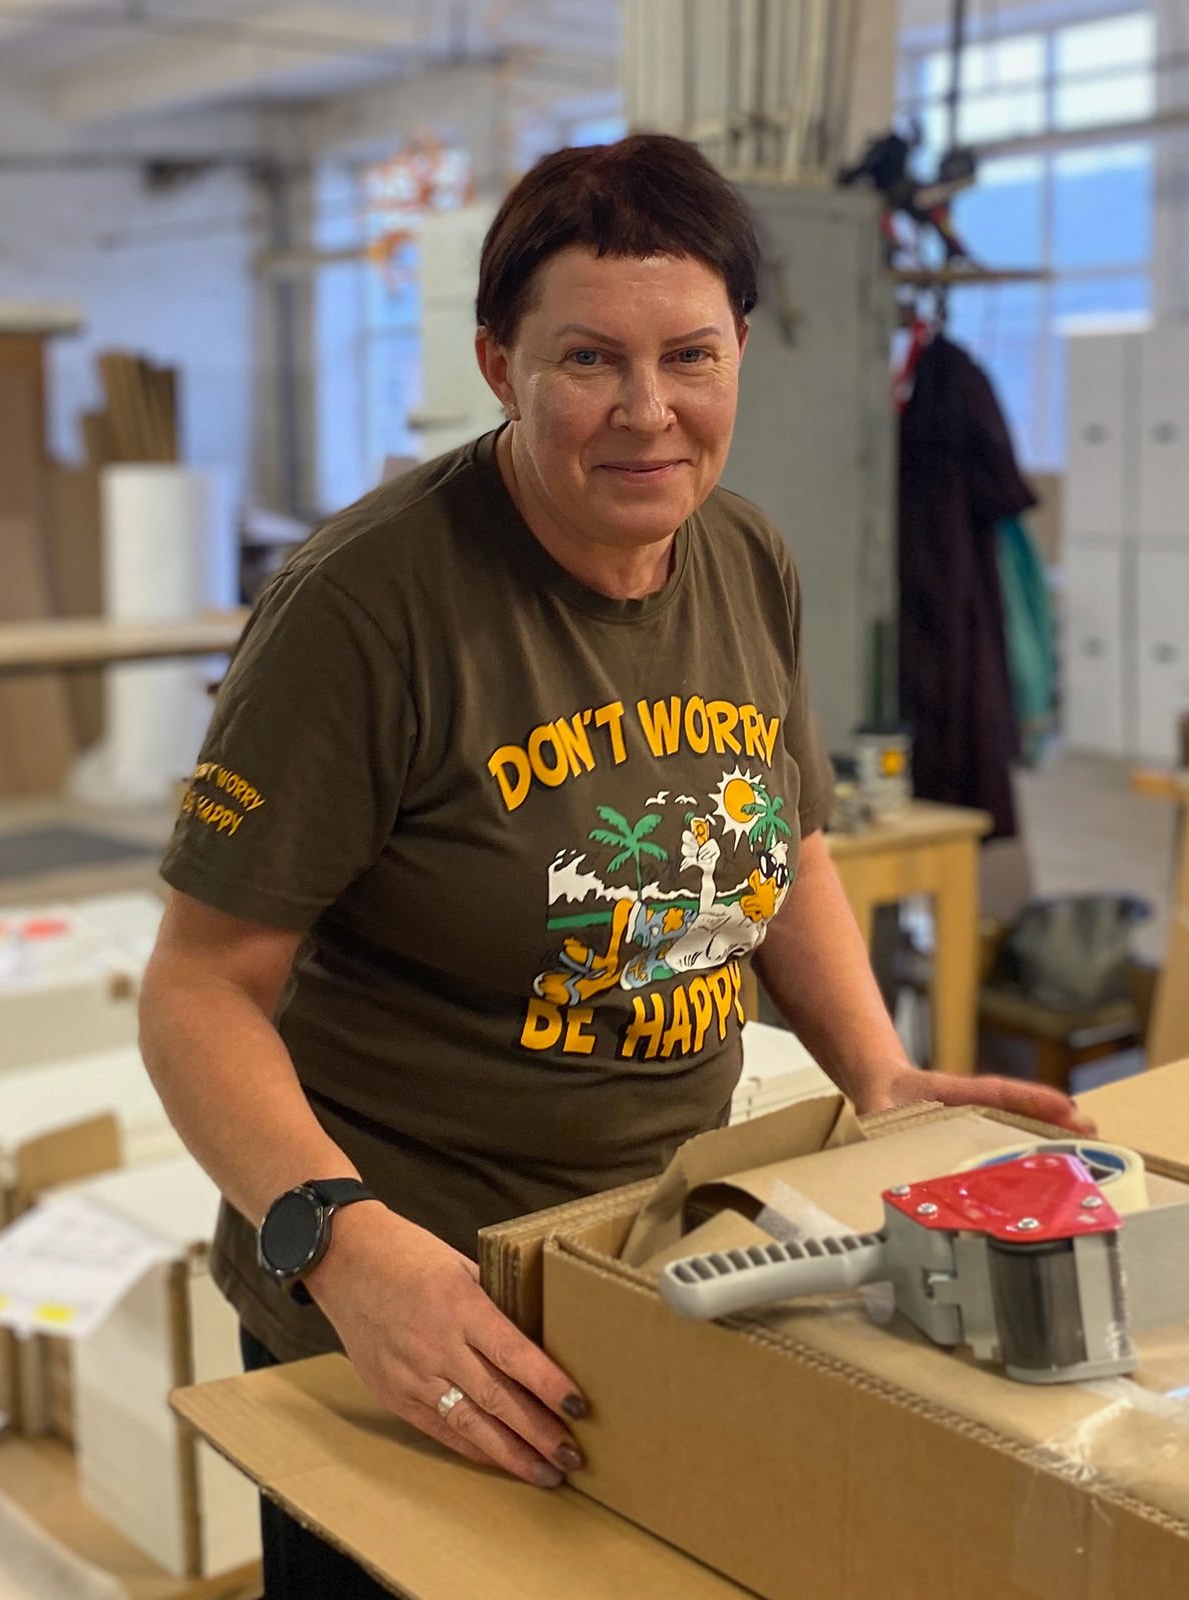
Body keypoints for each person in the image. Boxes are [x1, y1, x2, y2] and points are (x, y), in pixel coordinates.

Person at [139, 133, 1093, 1599]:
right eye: (588, 360)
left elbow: (791, 847)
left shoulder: (744, 557)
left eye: (690, 358)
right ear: (495, 360)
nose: (649, 415)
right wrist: (338, 1248)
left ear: (742, 354)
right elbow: (201, 989)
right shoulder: (366, 608)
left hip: (656, 1258)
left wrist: (878, 1075)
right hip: (405, 1302)